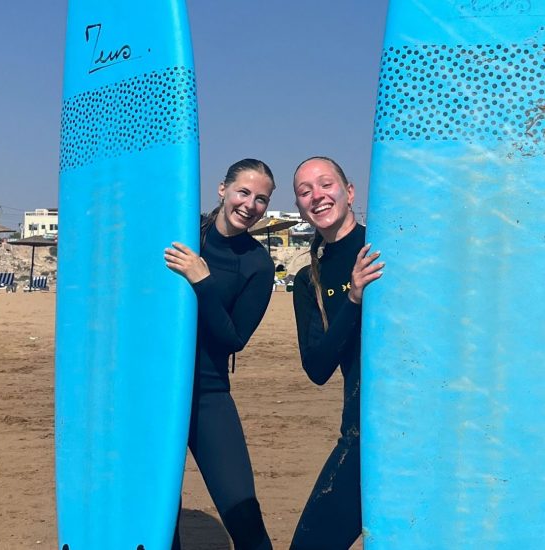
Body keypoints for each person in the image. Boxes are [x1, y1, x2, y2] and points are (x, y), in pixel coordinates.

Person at [163, 159, 276, 550]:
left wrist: (203, 280)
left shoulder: (257, 265)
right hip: (156, 389)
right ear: (222, 189)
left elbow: (232, 339)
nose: (250, 204)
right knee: (159, 514)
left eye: (261, 199)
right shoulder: (184, 231)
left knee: (243, 512)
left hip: (208, 394)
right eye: (243, 192)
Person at [289, 156, 383, 549]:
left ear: (349, 192)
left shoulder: (386, 244)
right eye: (305, 191)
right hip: (363, 431)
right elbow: (317, 366)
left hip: (429, 426)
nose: (317, 196)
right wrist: (354, 298)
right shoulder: (308, 279)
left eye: (325, 184)